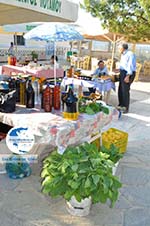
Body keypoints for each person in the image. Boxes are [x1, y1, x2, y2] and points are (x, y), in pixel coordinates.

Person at [117, 43, 136, 113]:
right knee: (120, 90)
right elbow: (124, 65)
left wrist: (128, 76)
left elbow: (130, 66)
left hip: (128, 73)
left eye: (119, 48)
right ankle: (120, 105)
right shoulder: (123, 54)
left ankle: (125, 107)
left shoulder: (130, 54)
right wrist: (119, 70)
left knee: (125, 90)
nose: (118, 49)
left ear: (123, 48)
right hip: (123, 72)